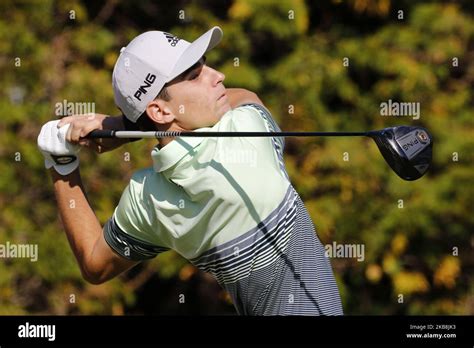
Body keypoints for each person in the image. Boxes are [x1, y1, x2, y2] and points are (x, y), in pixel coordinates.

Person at [37, 26, 343, 315]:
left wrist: (61, 163)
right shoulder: (246, 135)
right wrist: (123, 126)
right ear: (160, 110)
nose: (218, 75)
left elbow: (94, 264)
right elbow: (247, 97)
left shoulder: (148, 199)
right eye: (196, 75)